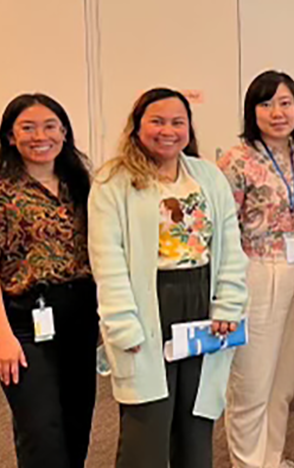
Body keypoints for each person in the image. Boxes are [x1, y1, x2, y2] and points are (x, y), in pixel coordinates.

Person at [89, 88, 249, 468]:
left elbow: (229, 244)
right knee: (148, 421)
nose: (168, 130)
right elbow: (107, 259)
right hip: (147, 304)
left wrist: (229, 303)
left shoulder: (206, 175)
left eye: (178, 122)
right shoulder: (114, 181)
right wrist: (121, 325)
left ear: (188, 128)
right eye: (157, 121)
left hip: (201, 301)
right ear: (137, 126)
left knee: (196, 418)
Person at [0, 94, 96, 468]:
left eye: (50, 126)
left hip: (80, 313)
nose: (40, 136)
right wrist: (3, 337)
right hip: (24, 321)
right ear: (11, 137)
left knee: (77, 424)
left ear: (64, 133)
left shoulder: (81, 186)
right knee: (41, 431)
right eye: (27, 127)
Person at [218, 71, 294, 468]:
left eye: (285, 103)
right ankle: (248, 463)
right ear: (251, 111)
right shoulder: (236, 160)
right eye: (266, 103)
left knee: (284, 381)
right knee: (251, 383)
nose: (277, 112)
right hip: (255, 271)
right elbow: (224, 230)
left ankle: (271, 458)